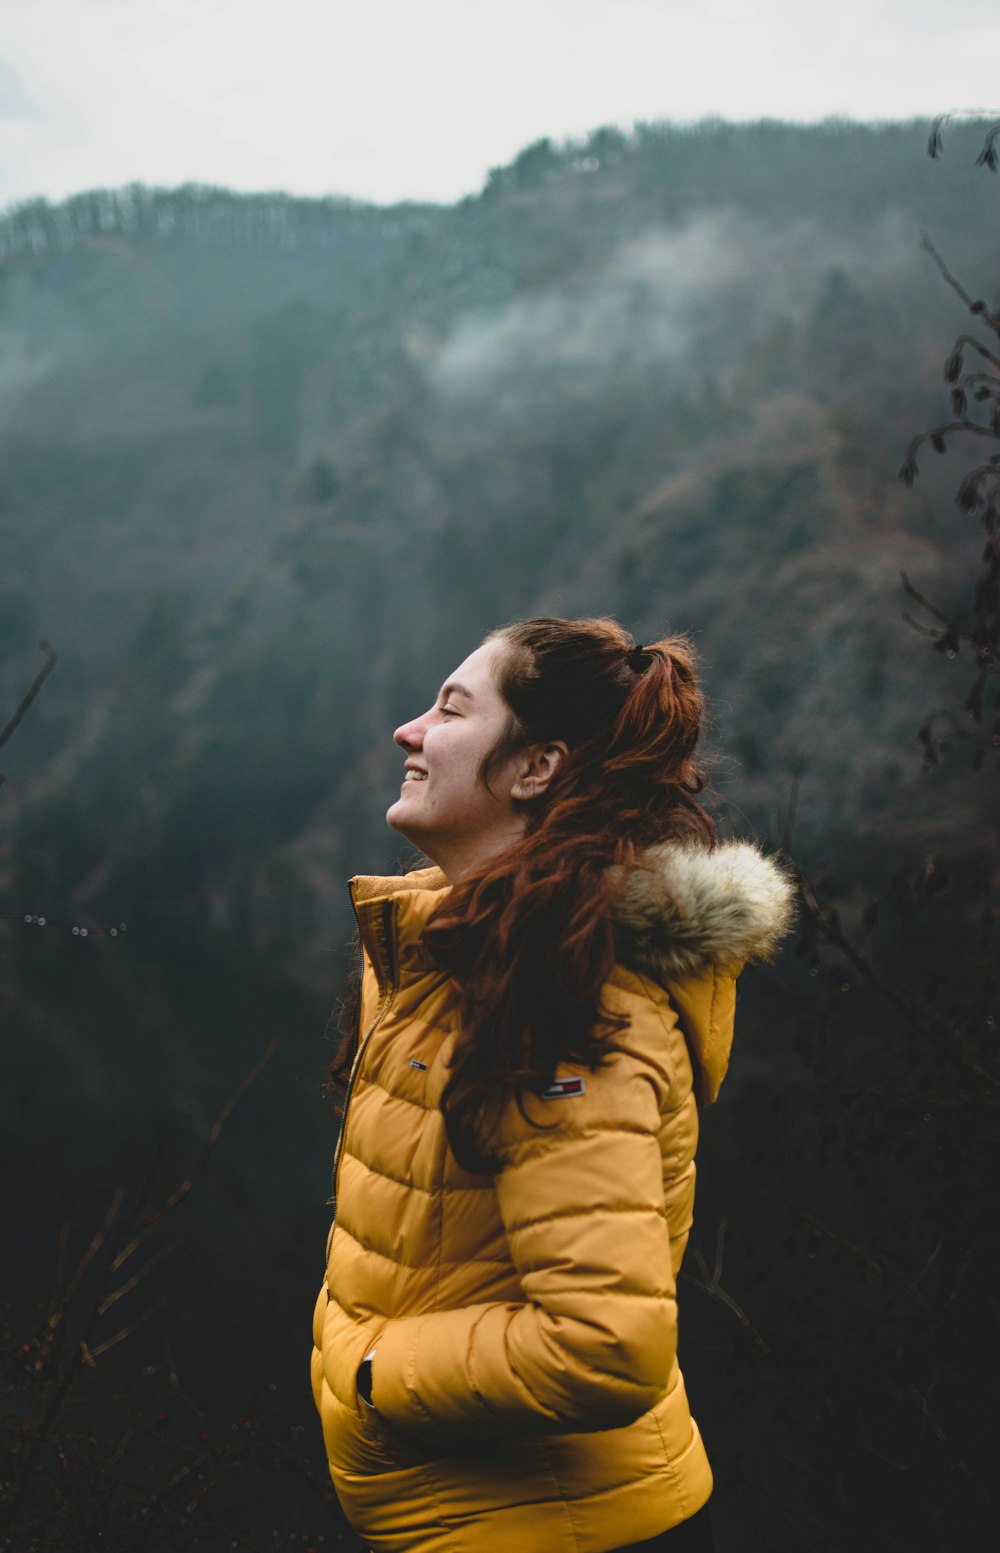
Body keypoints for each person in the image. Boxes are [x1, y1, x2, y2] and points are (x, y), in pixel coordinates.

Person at [311, 616, 794, 1553]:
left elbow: (604, 1344)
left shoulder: (569, 995)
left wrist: (370, 1370)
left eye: (451, 708)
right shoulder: (475, 953)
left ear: (535, 769)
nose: (409, 732)